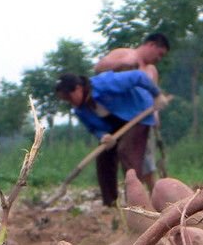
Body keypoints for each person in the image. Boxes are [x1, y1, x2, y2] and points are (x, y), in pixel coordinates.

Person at [55, 70, 167, 208]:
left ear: (78, 88)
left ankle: (135, 203)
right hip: (113, 127)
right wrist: (103, 135)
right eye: (65, 99)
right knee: (103, 156)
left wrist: (156, 94)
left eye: (69, 97)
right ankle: (110, 204)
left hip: (138, 116)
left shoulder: (105, 83)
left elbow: (139, 76)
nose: (69, 102)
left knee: (127, 151)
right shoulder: (79, 110)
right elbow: (93, 127)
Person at [94, 33, 171, 190]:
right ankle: (112, 200)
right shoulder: (123, 54)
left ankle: (148, 195)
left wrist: (155, 115)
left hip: (141, 121)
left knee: (145, 161)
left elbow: (153, 97)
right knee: (110, 157)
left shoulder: (151, 71)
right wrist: (121, 63)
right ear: (151, 45)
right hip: (117, 118)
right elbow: (98, 69)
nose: (159, 58)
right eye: (160, 54)